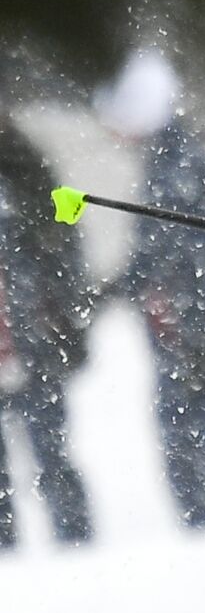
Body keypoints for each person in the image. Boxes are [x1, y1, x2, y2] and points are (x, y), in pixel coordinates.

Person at [93, 51, 205, 531]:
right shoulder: (174, 158)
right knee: (186, 441)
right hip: (197, 324)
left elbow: (165, 248)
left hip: (194, 329)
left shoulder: (174, 164)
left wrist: (111, 291)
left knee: (183, 442)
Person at [0, 115, 96, 547]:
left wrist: (72, 324)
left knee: (52, 455)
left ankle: (78, 551)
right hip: (26, 337)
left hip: (33, 342)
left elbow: (66, 249)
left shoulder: (26, 170)